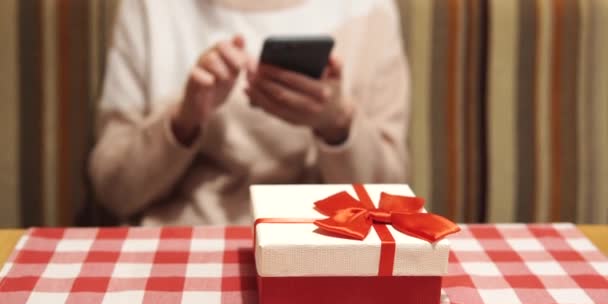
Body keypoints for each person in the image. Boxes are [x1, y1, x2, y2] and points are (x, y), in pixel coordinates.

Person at [89, 0, 411, 226]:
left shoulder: (367, 9)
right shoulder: (151, 7)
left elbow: (387, 197)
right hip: (183, 245)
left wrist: (337, 123)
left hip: (323, 243)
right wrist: (183, 120)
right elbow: (114, 190)